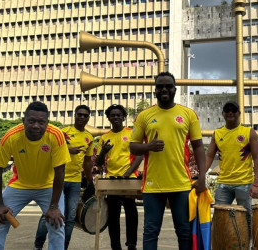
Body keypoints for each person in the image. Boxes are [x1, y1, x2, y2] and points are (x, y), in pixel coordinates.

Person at [130, 72, 206, 250]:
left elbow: (199, 147)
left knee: (184, 232)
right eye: (160, 86)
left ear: (175, 89)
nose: (164, 89)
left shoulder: (188, 114)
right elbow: (133, 147)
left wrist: (202, 176)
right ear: (155, 90)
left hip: (181, 184)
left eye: (168, 86)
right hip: (152, 185)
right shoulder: (144, 116)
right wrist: (149, 146)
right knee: (150, 232)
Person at [0, 101, 70, 250]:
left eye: (41, 122)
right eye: (31, 121)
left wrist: (54, 206)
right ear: (24, 121)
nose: (36, 126)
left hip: (48, 185)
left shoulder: (56, 135)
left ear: (47, 123)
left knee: (57, 224)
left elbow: (60, 172)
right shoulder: (11, 137)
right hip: (20, 184)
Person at [34, 105, 95, 250]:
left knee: (70, 218)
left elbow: (87, 162)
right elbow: (48, 148)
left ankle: (63, 246)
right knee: (47, 214)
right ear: (74, 115)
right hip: (56, 180)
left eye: (85, 115)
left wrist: (90, 181)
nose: (82, 117)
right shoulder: (63, 132)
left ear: (88, 118)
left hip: (75, 182)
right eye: (79, 114)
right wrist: (68, 149)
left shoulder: (89, 137)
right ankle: (38, 246)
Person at [205, 100, 258, 240]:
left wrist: (256, 184)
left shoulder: (249, 132)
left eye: (234, 110)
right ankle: (221, 245)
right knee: (220, 218)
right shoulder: (217, 134)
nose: (230, 112)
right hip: (223, 183)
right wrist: (201, 175)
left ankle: (247, 245)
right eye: (227, 110)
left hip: (244, 183)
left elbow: (257, 159)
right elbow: (209, 156)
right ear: (223, 113)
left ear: (239, 113)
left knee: (246, 217)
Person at [96, 104, 143, 250]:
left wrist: (127, 173)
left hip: (129, 179)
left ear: (123, 117)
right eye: (112, 115)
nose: (115, 117)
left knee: (131, 213)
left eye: (118, 115)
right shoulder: (104, 137)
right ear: (108, 118)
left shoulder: (132, 133)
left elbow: (139, 155)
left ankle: (131, 244)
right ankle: (115, 246)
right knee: (113, 216)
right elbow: (98, 162)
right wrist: (103, 152)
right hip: (112, 180)